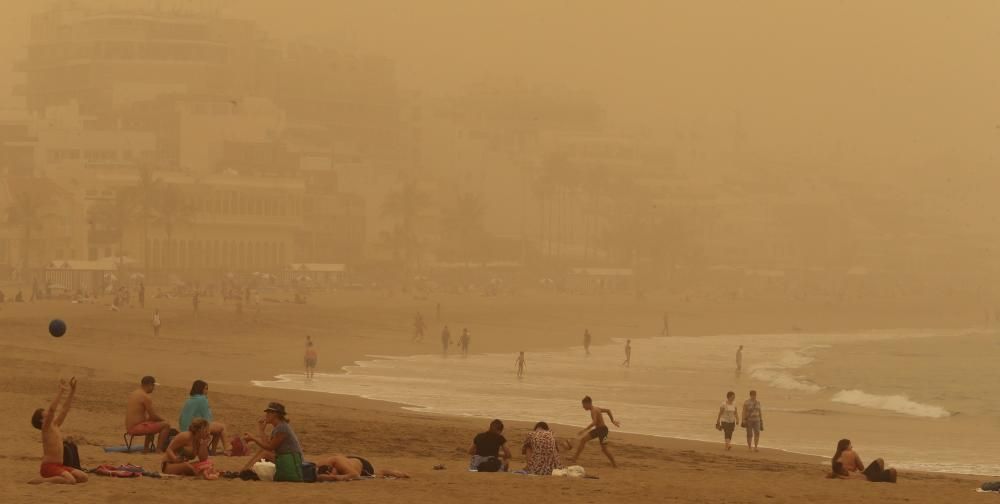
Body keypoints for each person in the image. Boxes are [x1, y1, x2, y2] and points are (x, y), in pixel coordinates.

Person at [29, 378, 88, 484]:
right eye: (45, 413)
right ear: (42, 421)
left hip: (60, 466)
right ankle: (43, 481)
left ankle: (58, 478)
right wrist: (61, 391)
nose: (48, 413)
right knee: (71, 480)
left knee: (83, 477)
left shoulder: (55, 425)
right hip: (48, 467)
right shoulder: (45, 428)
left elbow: (65, 409)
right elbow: (52, 409)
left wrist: (72, 391)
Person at [242, 402, 303, 482]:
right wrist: (261, 430)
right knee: (263, 451)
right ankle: (244, 471)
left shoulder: (282, 428)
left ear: (275, 414)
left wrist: (253, 438)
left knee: (265, 453)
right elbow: (267, 446)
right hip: (286, 459)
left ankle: (244, 472)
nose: (266, 415)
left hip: (292, 462)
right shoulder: (279, 427)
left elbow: (270, 448)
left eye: (269, 412)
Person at [568, 395, 620, 467]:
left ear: (588, 403)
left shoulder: (593, 411)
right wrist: (612, 420)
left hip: (603, 431)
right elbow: (608, 410)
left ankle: (614, 464)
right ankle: (574, 459)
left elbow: (594, 422)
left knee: (604, 449)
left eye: (583, 405)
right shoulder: (597, 408)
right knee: (583, 440)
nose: (583, 407)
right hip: (599, 430)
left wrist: (584, 430)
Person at [178, 380, 228, 455]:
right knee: (222, 427)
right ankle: (227, 449)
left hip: (185, 429)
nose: (207, 391)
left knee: (217, 429)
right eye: (205, 388)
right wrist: (207, 430)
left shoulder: (190, 399)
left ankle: (213, 452)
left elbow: (182, 417)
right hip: (195, 428)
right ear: (200, 389)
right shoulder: (202, 399)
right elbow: (207, 418)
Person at [125, 375, 171, 452]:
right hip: (135, 428)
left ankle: (146, 449)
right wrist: (164, 420)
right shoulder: (145, 397)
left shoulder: (134, 393)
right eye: (153, 385)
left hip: (130, 427)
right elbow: (153, 416)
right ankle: (158, 449)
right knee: (166, 425)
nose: (153, 388)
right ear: (149, 385)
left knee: (151, 423)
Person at [831, 439, 897, 483]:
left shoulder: (835, 458)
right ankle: (879, 476)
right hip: (863, 476)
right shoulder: (852, 453)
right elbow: (861, 468)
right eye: (850, 445)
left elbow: (838, 470)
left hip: (855, 475)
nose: (852, 446)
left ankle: (879, 476)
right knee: (883, 463)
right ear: (846, 446)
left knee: (880, 462)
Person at [316, 454, 410, 481]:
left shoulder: (339, 464)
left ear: (333, 469)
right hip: (349, 460)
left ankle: (398, 473)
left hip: (363, 465)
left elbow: (355, 475)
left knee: (378, 473)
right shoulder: (321, 465)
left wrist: (336, 477)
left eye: (333, 474)